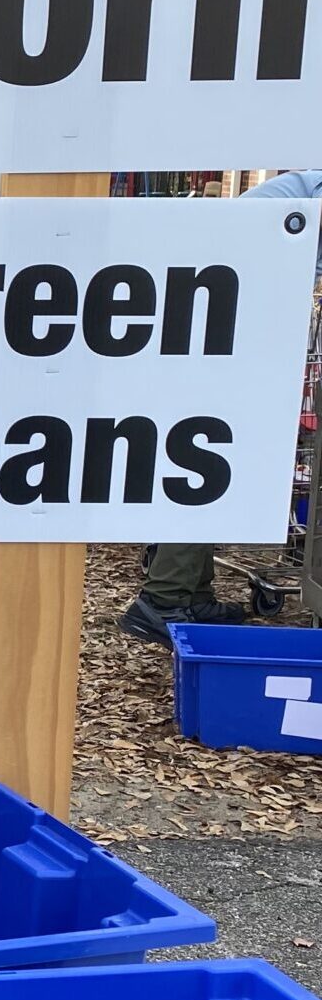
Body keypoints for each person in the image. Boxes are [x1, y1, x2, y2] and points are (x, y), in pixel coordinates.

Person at [117, 167, 320, 644]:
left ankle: (190, 592)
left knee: (208, 464)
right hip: (220, 337)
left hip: (214, 331)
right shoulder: (296, 204)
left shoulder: (289, 195)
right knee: (210, 466)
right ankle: (163, 599)